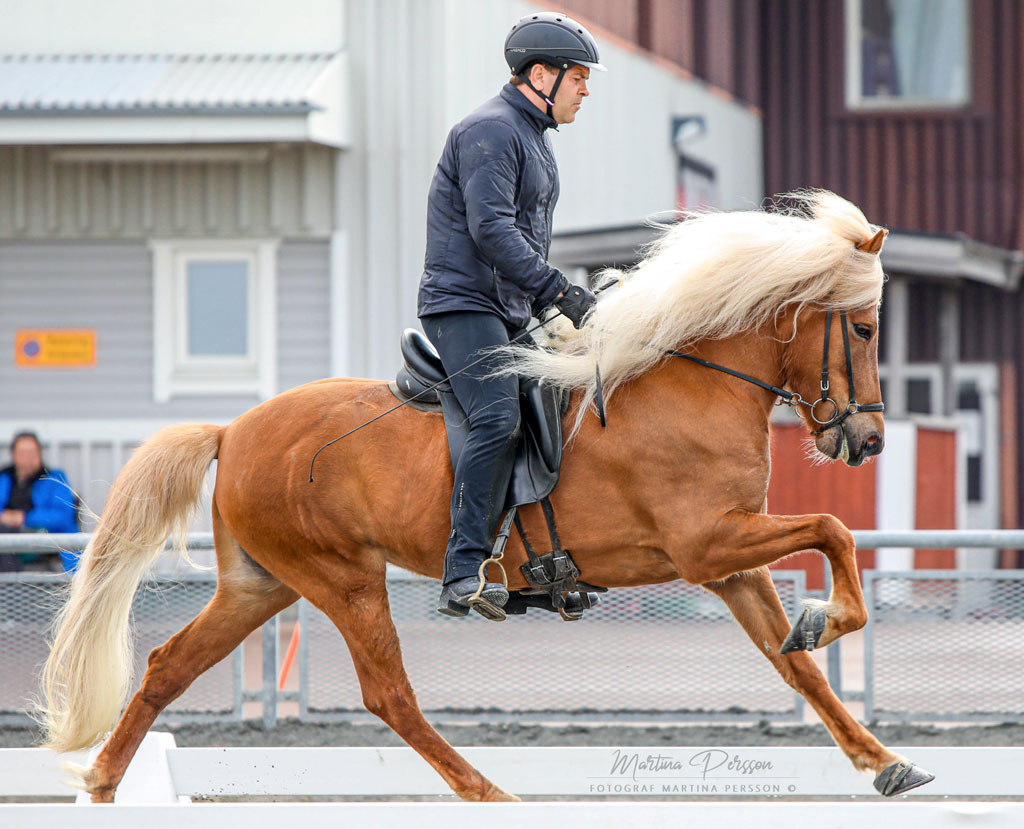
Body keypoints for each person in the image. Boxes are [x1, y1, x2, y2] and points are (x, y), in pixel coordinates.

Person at [417, 12, 605, 617]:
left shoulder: (534, 141)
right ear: (541, 75)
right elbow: (491, 229)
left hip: (508, 309)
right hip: (462, 306)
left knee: (559, 411)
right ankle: (462, 570)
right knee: (497, 420)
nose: (584, 90)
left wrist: (552, 301)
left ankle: (533, 567)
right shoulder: (491, 131)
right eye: (578, 77)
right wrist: (560, 289)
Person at [0, 431, 80, 572]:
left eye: (32, 452)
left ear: (39, 454)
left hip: (46, 542)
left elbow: (63, 516)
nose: (27, 458)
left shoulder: (54, 479)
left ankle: (11, 587)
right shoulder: (4, 478)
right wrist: (5, 517)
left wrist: (24, 518)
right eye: (23, 453)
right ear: (13, 454)